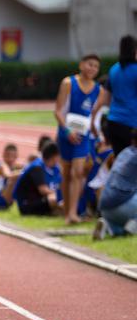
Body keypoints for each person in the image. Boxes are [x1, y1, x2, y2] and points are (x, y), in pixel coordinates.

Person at [53, 54, 101, 223]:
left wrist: (97, 135)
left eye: (96, 66)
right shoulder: (68, 83)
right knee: (66, 174)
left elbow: (95, 115)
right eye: (90, 64)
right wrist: (67, 131)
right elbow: (58, 111)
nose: (92, 68)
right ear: (81, 65)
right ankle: (67, 213)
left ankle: (73, 213)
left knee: (77, 173)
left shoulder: (98, 89)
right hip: (65, 134)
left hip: (83, 137)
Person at [92, 35, 137, 157]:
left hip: (114, 122)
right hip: (132, 124)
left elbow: (105, 99)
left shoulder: (114, 69)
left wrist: (93, 115)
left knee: (120, 163)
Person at [94, 129, 137, 238]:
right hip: (123, 205)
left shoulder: (125, 152)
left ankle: (109, 227)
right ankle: (133, 227)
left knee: (120, 230)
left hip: (105, 207)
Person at [13, 142, 63, 216]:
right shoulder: (37, 167)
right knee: (55, 199)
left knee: (60, 201)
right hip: (27, 204)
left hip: (41, 200)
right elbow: (43, 190)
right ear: (54, 156)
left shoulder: (55, 168)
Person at [0, 143, 22, 209]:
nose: (10, 159)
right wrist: (25, 172)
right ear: (3, 155)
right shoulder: (1, 165)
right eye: (7, 156)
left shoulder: (14, 166)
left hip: (3, 195)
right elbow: (8, 175)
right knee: (14, 179)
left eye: (13, 156)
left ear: (16, 156)